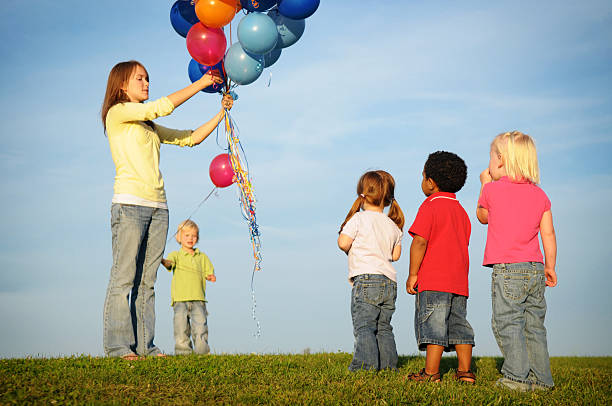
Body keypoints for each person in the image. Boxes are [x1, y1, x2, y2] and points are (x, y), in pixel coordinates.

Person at [101, 60, 233, 360]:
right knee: (124, 279)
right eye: (140, 78)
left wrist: (222, 113)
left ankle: (145, 346)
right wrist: (201, 84)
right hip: (129, 205)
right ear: (122, 85)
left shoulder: (148, 126)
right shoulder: (118, 113)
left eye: (148, 78)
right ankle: (118, 347)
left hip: (159, 208)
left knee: (147, 282)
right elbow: (158, 107)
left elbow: (190, 138)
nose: (147, 83)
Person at [477, 131, 557, 391]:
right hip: (535, 269)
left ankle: (516, 377)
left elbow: (482, 216)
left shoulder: (492, 189)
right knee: (534, 326)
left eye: (490, 157)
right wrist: (550, 266)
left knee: (507, 322)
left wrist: (483, 184)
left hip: (508, 270)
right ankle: (542, 380)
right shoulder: (540, 195)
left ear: (500, 160)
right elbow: (548, 233)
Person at [405, 151, 475, 384]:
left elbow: (420, 241)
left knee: (433, 326)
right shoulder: (461, 211)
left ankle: (431, 373)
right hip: (459, 281)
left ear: (431, 182)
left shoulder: (430, 205)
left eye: (423, 176)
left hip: (434, 279)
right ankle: (465, 371)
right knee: (459, 325)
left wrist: (413, 273)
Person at [337, 170, 405, 371]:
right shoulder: (393, 225)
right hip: (389, 283)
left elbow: (343, 243)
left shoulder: (358, 219)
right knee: (384, 327)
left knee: (364, 325)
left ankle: (365, 367)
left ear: (362, 194)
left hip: (366, 280)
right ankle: (388, 367)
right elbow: (396, 255)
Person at [161, 220, 215, 355]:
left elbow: (209, 272)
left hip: (198, 299)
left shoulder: (201, 257)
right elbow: (169, 264)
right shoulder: (176, 255)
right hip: (180, 300)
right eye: (187, 235)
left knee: (201, 328)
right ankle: (183, 354)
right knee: (181, 329)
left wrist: (210, 276)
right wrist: (162, 261)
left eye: (194, 236)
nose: (190, 239)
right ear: (179, 237)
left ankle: (202, 353)